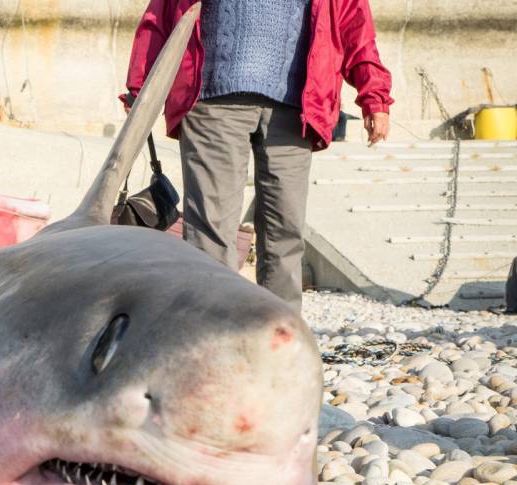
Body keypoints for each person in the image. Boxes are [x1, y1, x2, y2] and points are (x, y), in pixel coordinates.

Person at [123, 0, 392, 312]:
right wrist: (139, 87)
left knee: (286, 232)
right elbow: (163, 13)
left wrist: (374, 96)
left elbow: (354, 24)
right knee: (211, 233)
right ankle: (211, 334)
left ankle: (280, 337)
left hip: (296, 107)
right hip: (211, 99)